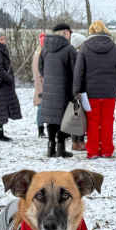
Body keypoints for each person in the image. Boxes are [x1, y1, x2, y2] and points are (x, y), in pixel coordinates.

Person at [73, 20, 116, 159]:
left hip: (90, 92)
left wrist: (76, 89)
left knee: (92, 121)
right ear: (105, 31)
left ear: (91, 31)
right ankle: (106, 150)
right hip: (109, 92)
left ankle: (92, 151)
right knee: (107, 120)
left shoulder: (85, 47)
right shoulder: (115, 48)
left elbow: (79, 70)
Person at [39, 23, 77, 157]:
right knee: (63, 119)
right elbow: (75, 72)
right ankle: (61, 148)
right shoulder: (69, 49)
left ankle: (50, 147)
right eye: (70, 33)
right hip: (65, 90)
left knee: (51, 119)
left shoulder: (44, 49)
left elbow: (41, 69)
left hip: (49, 90)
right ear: (66, 33)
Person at [0, 31, 21, 140]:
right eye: (1, 39)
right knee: (0, 109)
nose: (4, 41)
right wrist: (9, 78)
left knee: (3, 109)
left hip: (4, 84)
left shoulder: (0, 49)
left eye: (4, 39)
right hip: (1, 84)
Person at [68, 32, 88, 151]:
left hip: (72, 89)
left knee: (75, 115)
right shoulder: (78, 56)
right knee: (79, 116)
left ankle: (75, 141)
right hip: (78, 89)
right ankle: (79, 142)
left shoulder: (72, 55)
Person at [32, 32, 46, 137]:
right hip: (41, 85)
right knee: (41, 108)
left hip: (42, 84)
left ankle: (42, 129)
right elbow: (38, 72)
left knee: (42, 108)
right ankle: (40, 130)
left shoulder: (41, 53)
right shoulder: (39, 55)